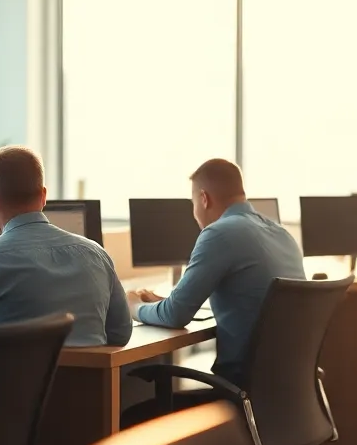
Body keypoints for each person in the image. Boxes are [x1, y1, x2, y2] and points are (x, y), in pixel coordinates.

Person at [123, 159, 305, 427]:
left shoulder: (219, 233)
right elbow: (246, 297)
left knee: (126, 420)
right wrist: (167, 301)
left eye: (193, 203)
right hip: (284, 396)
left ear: (204, 198)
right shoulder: (282, 234)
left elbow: (175, 317)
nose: (194, 212)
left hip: (238, 395)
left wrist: (132, 307)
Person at [0, 146, 131, 346]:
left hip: (17, 377)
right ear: (43, 196)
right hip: (86, 378)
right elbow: (120, 333)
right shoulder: (97, 255)